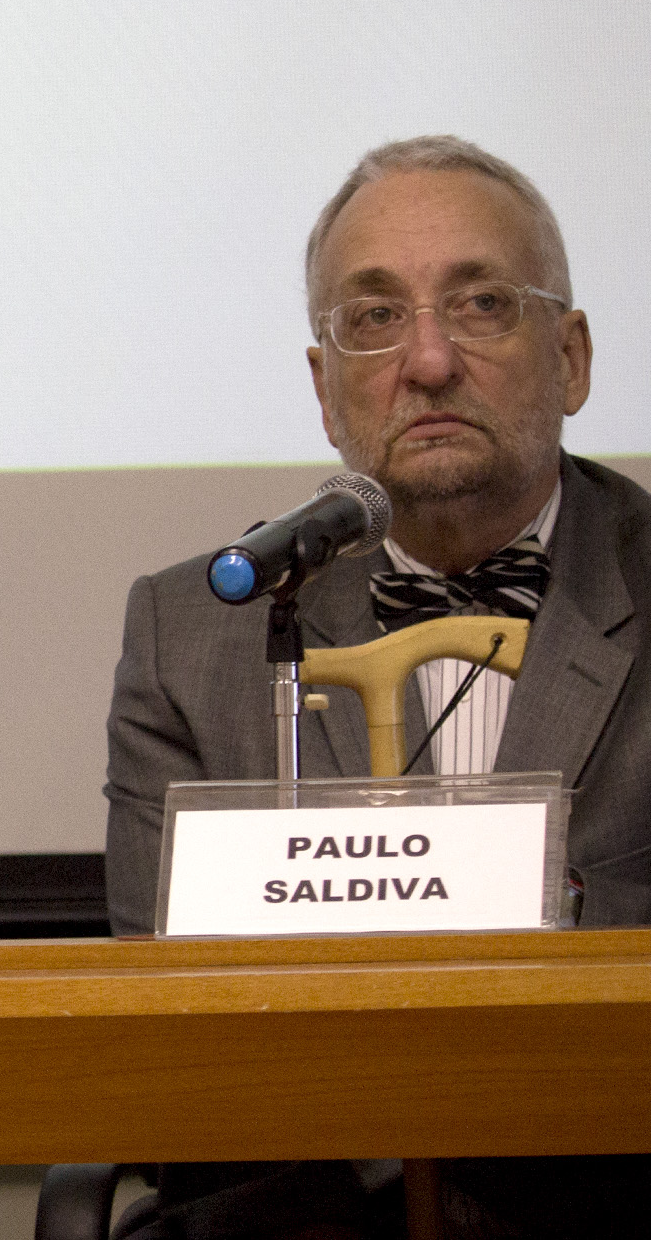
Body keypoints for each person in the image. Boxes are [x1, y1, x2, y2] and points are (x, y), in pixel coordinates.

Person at [104, 135, 649, 1238]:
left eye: (481, 304)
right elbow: (172, 1040)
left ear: (572, 355)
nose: (430, 360)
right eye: (372, 318)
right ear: (323, 384)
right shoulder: (190, 631)